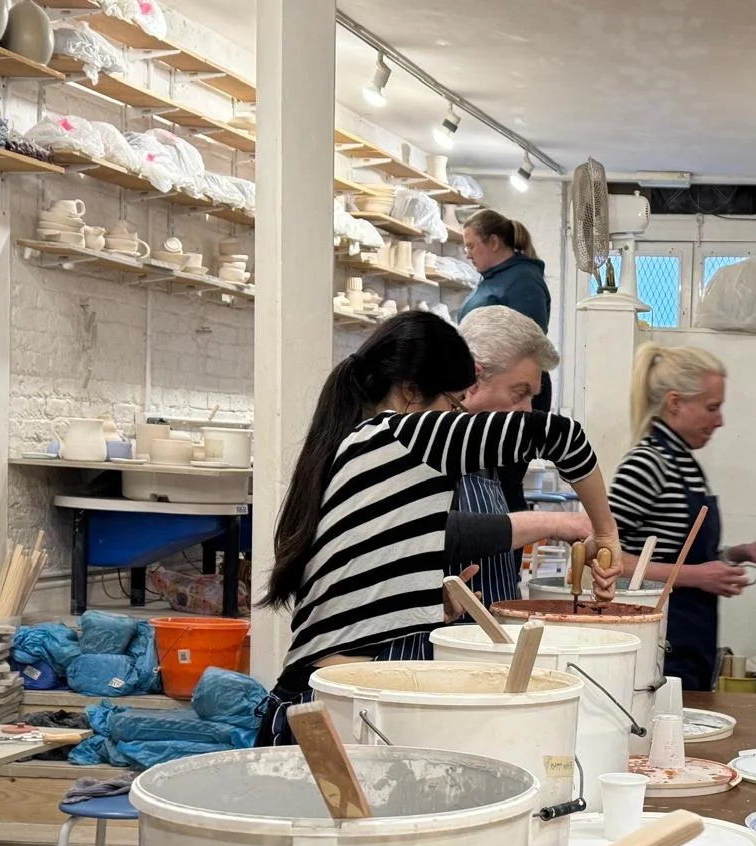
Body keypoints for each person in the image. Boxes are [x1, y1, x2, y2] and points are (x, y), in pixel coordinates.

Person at [256, 312, 619, 746]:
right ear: (411, 392)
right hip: (335, 715)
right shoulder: (402, 435)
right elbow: (564, 437)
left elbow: (361, 577)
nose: (456, 420)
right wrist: (605, 532)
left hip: (333, 701)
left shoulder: (362, 444)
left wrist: (426, 604)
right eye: (453, 407)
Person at [609, 343, 756, 691]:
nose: (720, 421)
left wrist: (738, 555)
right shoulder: (647, 463)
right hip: (658, 643)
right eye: (712, 408)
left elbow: (679, 553)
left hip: (691, 641)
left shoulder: (686, 464)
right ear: (675, 403)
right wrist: (696, 576)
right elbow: (601, 558)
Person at [447, 305, 571, 609]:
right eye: (520, 393)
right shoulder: (426, 445)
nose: (528, 411)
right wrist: (553, 524)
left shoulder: (494, 455)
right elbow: (440, 533)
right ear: (473, 381)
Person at [458, 210, 552, 413]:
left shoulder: (524, 281)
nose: (467, 254)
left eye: (471, 245)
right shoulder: (490, 279)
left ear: (493, 242)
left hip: (513, 393)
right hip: (485, 385)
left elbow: (527, 348)